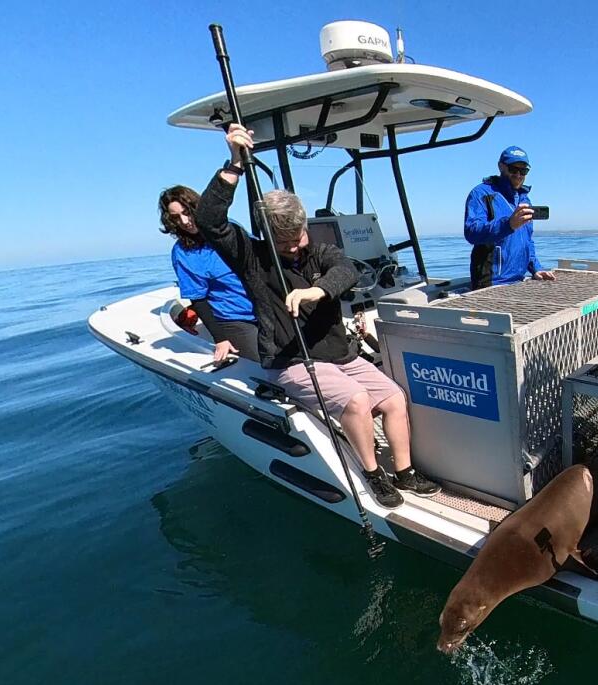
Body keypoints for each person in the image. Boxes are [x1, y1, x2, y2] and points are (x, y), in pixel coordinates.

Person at [196, 123, 440, 508]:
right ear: (268, 236)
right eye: (285, 241)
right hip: (293, 360)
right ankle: (373, 475)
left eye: (300, 236)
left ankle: (405, 472)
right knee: (357, 401)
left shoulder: (320, 251)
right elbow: (210, 221)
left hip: (339, 354)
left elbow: (348, 270)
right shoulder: (251, 258)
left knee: (393, 397)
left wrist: (317, 289)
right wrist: (234, 165)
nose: (295, 246)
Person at [159, 185, 259, 364]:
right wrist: (220, 339)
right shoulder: (183, 253)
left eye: (187, 212)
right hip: (233, 319)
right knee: (264, 362)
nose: (185, 221)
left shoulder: (227, 228)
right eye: (176, 218)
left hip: (263, 307)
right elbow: (198, 299)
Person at [463, 145, 555, 288]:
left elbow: (527, 240)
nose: (518, 175)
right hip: (490, 282)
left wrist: (536, 268)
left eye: (523, 171)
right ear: (501, 167)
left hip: (519, 281)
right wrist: (508, 225)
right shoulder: (481, 194)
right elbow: (471, 232)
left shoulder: (524, 199)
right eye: (513, 169)